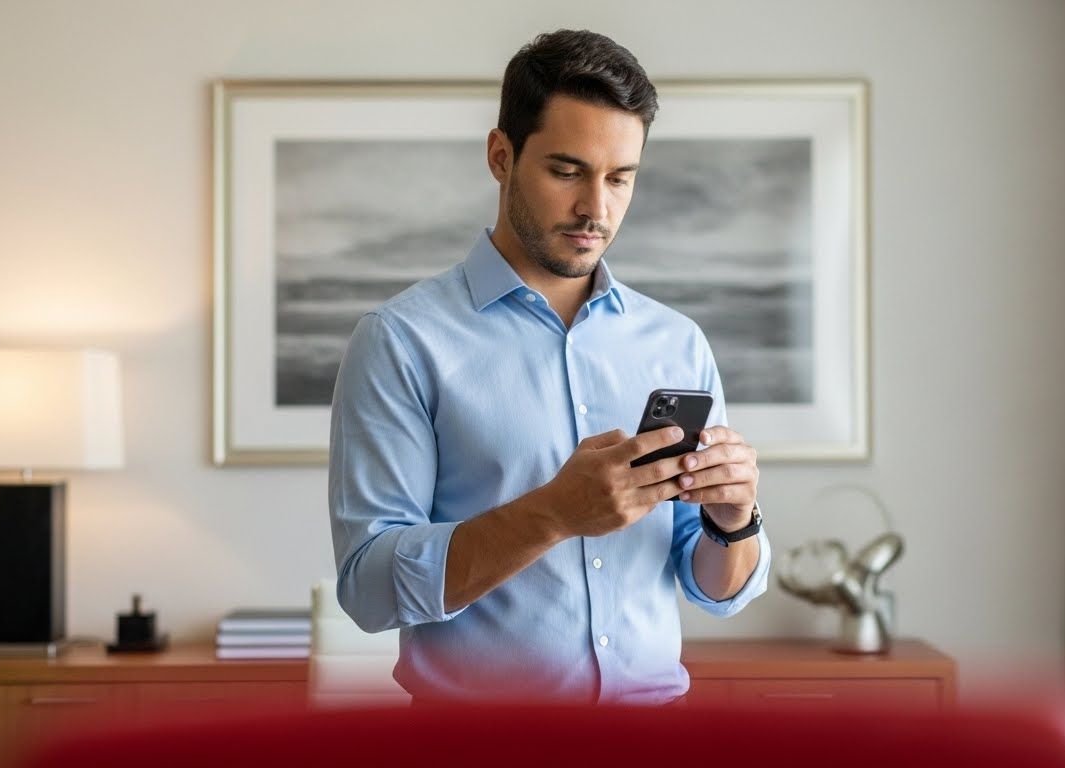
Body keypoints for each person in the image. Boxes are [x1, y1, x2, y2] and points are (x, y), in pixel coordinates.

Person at [328, 28, 770, 706]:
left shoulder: (677, 343)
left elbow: (713, 588)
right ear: (500, 156)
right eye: (567, 172)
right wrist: (553, 514)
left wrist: (732, 519)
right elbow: (369, 588)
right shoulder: (401, 342)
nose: (596, 208)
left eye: (619, 178)